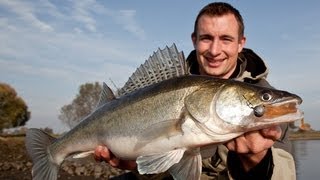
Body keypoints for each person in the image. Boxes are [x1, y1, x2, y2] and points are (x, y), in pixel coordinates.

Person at [94, 2, 295, 180]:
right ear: (194, 39)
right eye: (206, 38)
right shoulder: (168, 81)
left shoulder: (269, 103)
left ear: (241, 43)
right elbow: (160, 167)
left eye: (226, 39)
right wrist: (136, 165)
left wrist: (258, 161)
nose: (215, 51)